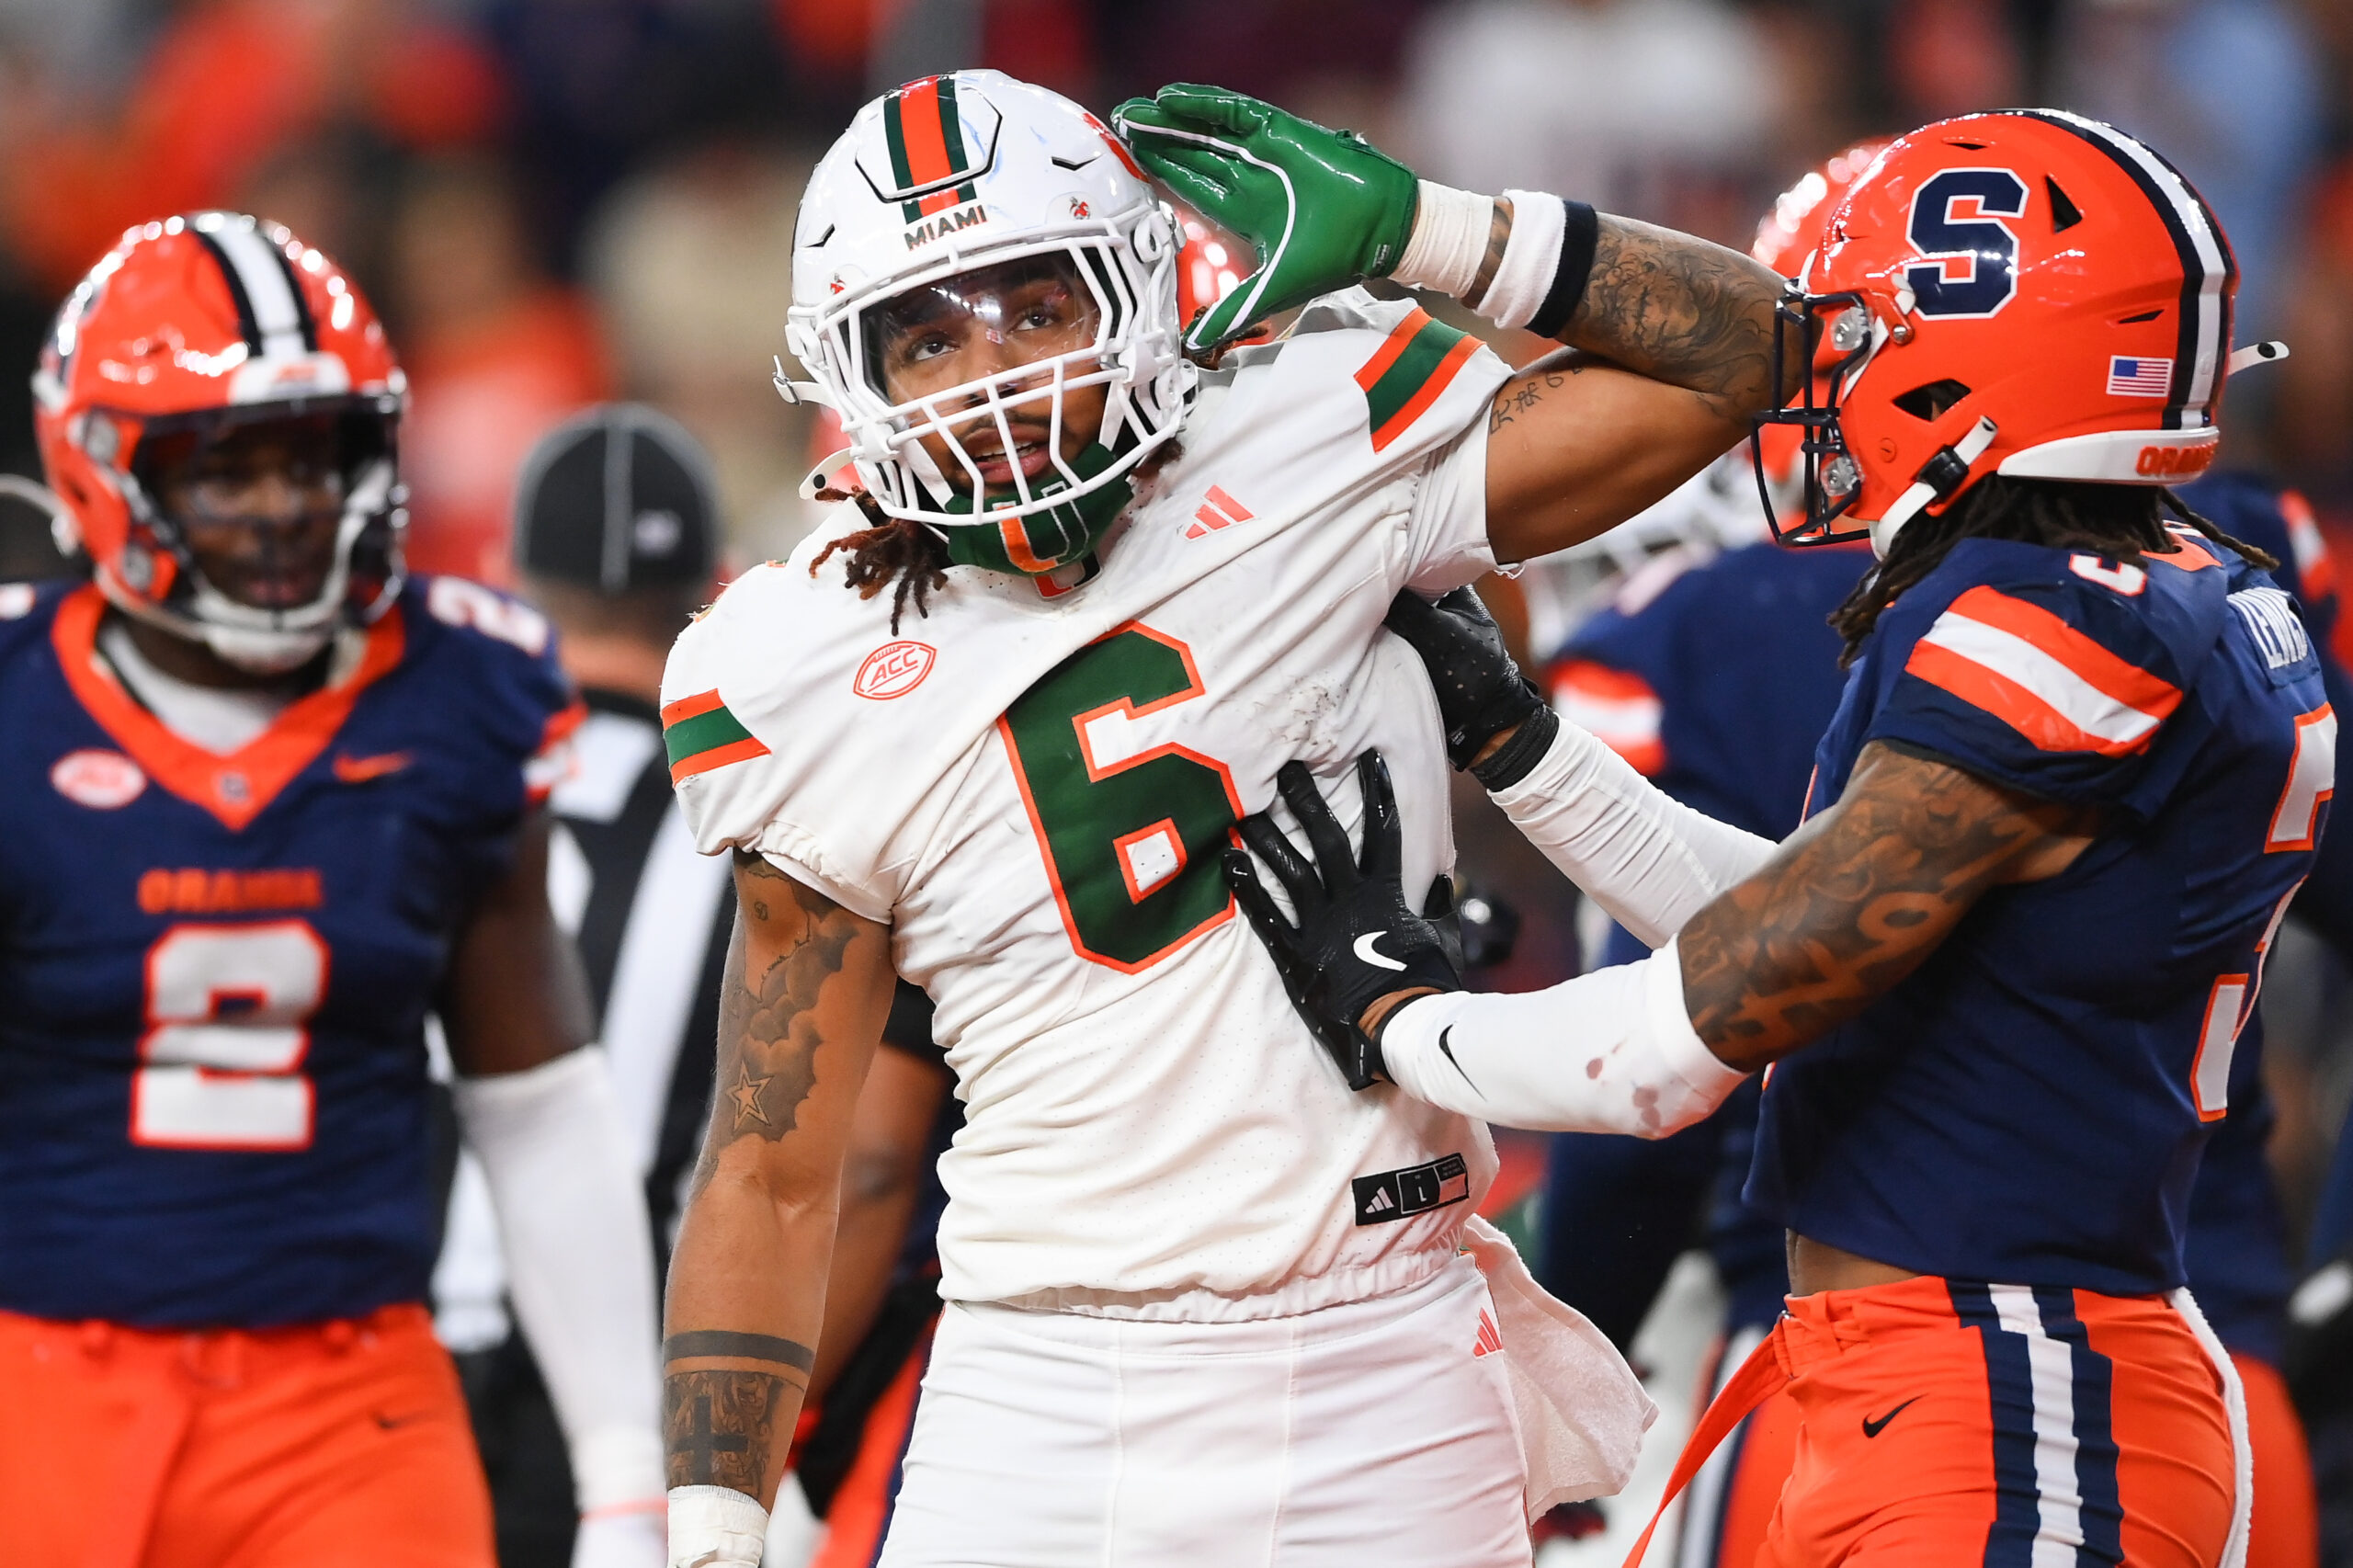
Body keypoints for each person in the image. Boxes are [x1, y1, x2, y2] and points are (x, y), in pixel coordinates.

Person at [656, 67, 1805, 1566]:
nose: (988, 372)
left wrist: (1438, 231)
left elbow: (1751, 354)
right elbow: (772, 1157)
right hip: (1042, 1387)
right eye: (927, 335)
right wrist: (707, 1530)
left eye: (1034, 304)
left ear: (1135, 289)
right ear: (850, 378)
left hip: (1389, 1353)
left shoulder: (1301, 423)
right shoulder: (802, 658)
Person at [1227, 110, 2322, 1568]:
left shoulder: (2059, 620)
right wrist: (1525, 746)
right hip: (1938, 1368)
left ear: (1976, 357)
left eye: (1857, 343)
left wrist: (1401, 1019)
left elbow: (1721, 1014)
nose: (1817, 387)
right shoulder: (2141, 585)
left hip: (2011, 1390)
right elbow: (1809, 923)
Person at [0, 213, 665, 1568]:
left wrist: (623, 1476)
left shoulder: (461, 690)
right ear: (99, 465)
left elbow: (536, 1104)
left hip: (342, 1399)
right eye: (225, 465)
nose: (287, 506)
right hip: (37, 1378)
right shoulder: (18, 703)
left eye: (317, 453)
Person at [430, 403, 731, 1567]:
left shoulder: (432, 788)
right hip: (634, 1406)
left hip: (394, 1377)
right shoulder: (755, 822)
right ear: (716, 587)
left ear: (505, 577)